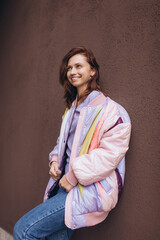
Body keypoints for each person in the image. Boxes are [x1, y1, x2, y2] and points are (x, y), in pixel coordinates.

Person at [13, 46, 131, 240]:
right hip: (62, 186)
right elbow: (63, 142)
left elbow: (108, 156)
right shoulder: (71, 109)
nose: (72, 72)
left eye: (79, 66)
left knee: (23, 230)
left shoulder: (112, 111)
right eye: (69, 68)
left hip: (84, 190)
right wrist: (54, 159)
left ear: (93, 70)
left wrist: (74, 176)